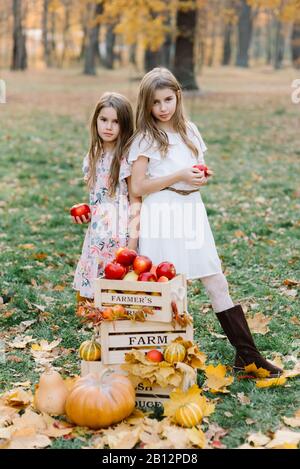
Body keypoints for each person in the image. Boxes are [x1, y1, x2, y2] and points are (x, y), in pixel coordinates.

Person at [127, 67, 282, 377]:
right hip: (162, 214)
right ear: (146, 105)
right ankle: (167, 360)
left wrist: (198, 177)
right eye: (155, 103)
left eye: (168, 99)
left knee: (215, 279)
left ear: (178, 97)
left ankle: (248, 356)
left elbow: (196, 170)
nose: (163, 108)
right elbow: (138, 187)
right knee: (169, 288)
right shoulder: (146, 138)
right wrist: (180, 176)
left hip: (191, 212)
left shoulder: (189, 131)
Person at [72, 92, 140, 300]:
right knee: (90, 297)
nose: (108, 127)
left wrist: (132, 245)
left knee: (118, 282)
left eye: (115, 122)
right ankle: (94, 301)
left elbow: (135, 200)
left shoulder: (126, 159)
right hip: (98, 233)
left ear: (125, 125)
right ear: (96, 121)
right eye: (104, 120)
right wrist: (87, 212)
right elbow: (99, 197)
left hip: (121, 234)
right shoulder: (93, 156)